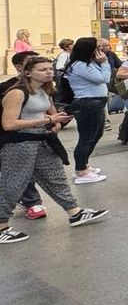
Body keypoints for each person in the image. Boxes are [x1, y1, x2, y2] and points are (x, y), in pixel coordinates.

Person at [0, 56, 107, 243]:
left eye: (50, 68)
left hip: (43, 140)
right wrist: (49, 120)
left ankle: (75, 212)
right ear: (27, 72)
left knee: (56, 177)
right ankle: (1, 226)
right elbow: (9, 124)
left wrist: (56, 122)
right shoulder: (16, 92)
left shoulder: (44, 89)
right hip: (19, 144)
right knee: (13, 184)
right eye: (42, 69)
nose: (49, 72)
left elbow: (50, 111)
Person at [0, 51, 46, 218]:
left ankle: (32, 202)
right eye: (32, 62)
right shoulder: (9, 88)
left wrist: (52, 120)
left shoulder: (40, 86)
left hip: (34, 135)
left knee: (28, 171)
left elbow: (47, 105)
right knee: (17, 173)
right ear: (20, 68)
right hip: (12, 136)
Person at [62, 38, 111, 185]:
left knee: (96, 134)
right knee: (86, 138)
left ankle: (84, 165)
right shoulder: (79, 65)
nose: (100, 51)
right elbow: (103, 78)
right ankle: (81, 171)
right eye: (97, 48)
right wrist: (105, 63)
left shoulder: (87, 63)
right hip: (88, 104)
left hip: (96, 103)